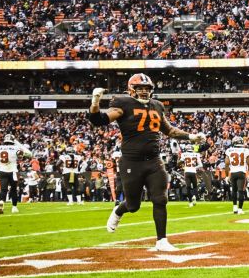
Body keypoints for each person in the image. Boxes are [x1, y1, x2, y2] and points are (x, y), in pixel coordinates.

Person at [89, 73, 207, 252]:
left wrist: (190, 136)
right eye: (140, 88)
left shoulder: (157, 106)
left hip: (154, 161)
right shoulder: (124, 103)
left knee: (160, 199)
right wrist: (95, 102)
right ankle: (118, 211)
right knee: (133, 205)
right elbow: (100, 121)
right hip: (131, 162)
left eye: (147, 88)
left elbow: (169, 130)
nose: (144, 92)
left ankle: (161, 240)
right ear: (132, 90)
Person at [0, 134, 33, 214]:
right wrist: (17, 142)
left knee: (3, 190)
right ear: (12, 140)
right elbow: (29, 154)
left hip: (2, 171)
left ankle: (1, 202)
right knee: (14, 190)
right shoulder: (16, 148)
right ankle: (14, 207)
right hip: (13, 171)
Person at [225, 137, 249, 215]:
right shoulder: (246, 150)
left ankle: (234, 207)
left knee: (234, 190)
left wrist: (226, 176)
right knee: (241, 191)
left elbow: (226, 164)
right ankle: (240, 209)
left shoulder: (229, 150)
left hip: (233, 173)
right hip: (241, 172)